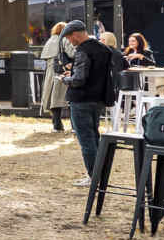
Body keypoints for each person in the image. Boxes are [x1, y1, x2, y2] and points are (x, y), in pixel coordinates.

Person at [62, 21, 118, 186]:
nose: (70, 41)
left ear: (76, 35)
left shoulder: (83, 50)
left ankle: (93, 176)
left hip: (81, 99)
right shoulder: (104, 49)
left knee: (86, 140)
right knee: (94, 137)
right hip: (98, 99)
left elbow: (79, 79)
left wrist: (65, 79)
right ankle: (99, 173)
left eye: (69, 38)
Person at [39, 21, 71, 132]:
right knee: (70, 99)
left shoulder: (50, 40)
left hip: (50, 73)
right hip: (62, 71)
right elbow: (72, 53)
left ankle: (56, 125)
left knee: (54, 99)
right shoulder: (65, 39)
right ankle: (74, 126)